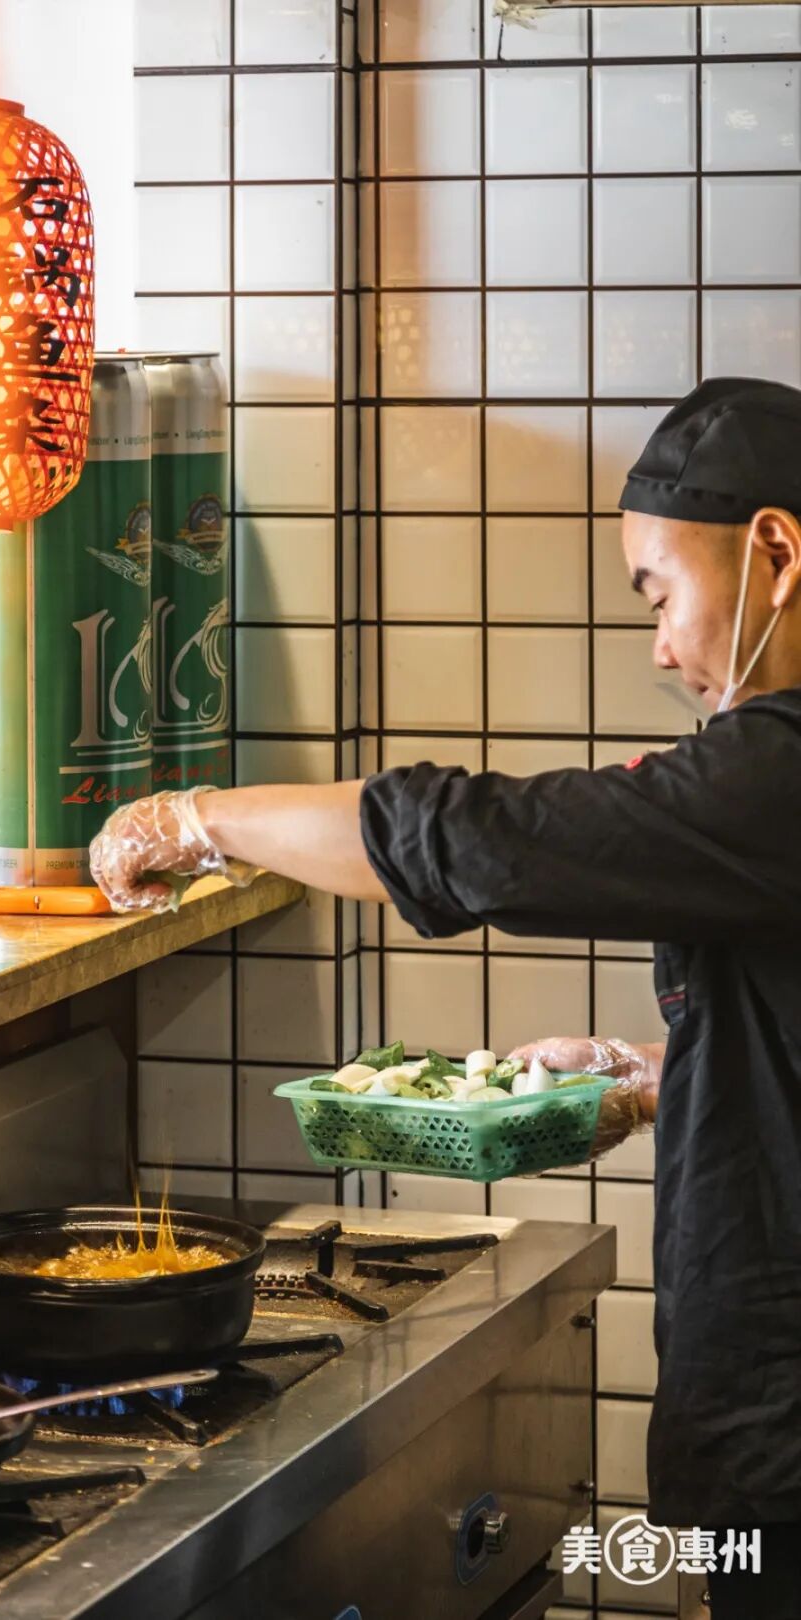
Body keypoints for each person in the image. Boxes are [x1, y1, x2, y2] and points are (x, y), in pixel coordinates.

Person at [90, 377, 801, 1619]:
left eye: (660, 596)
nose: (662, 649)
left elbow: (493, 842)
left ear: (776, 554)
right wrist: (663, 1074)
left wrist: (203, 818)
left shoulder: (780, 772)